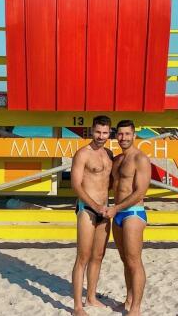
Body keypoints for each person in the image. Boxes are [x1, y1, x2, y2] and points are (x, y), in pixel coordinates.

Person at [105, 119, 151, 316]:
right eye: (120, 134)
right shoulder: (116, 160)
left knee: (134, 261)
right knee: (125, 259)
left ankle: (136, 309)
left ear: (134, 135)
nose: (123, 138)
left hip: (132, 213)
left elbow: (140, 192)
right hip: (117, 213)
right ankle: (129, 298)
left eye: (127, 134)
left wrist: (117, 208)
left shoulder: (140, 158)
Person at [70, 115, 113, 316]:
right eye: (97, 132)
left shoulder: (109, 154)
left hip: (104, 210)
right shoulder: (82, 154)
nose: (101, 136)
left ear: (109, 132)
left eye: (105, 132)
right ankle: (78, 307)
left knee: (98, 256)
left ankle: (91, 297)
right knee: (83, 257)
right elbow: (76, 185)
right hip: (87, 209)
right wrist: (94, 205)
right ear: (91, 130)